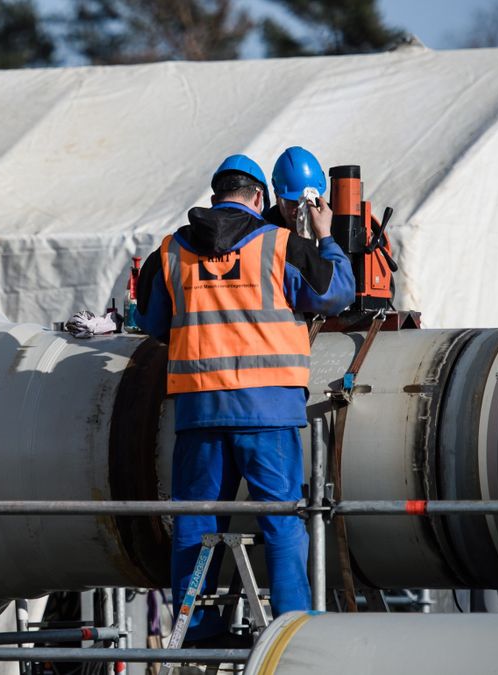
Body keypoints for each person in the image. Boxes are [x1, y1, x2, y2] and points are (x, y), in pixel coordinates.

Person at [132, 154, 354, 647]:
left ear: (216, 196)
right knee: (280, 522)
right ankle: (292, 635)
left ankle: (196, 633)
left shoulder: (169, 252)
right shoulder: (282, 245)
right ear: (260, 198)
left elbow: (150, 322)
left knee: (196, 521)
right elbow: (339, 293)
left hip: (198, 412)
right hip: (268, 411)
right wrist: (327, 235)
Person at [266, 146, 327, 234]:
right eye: (294, 202)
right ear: (277, 198)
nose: (302, 208)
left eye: (309, 201)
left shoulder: (336, 224)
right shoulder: (265, 231)